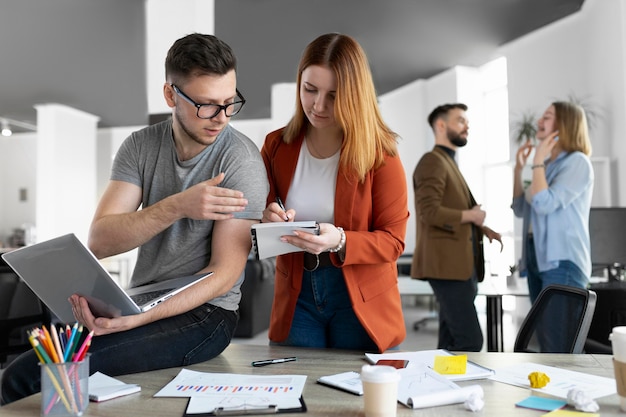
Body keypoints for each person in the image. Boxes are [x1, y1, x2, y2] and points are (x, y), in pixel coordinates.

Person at [1, 33, 269, 404]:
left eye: (229, 103)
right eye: (206, 105)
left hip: (206, 316)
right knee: (37, 372)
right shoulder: (140, 146)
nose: (221, 118)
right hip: (141, 299)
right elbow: (101, 239)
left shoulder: (241, 161)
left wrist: (139, 319)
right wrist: (177, 205)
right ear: (171, 95)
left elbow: (223, 274)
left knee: (26, 376)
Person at [260, 33, 409, 353]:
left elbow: (394, 241)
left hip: (361, 297)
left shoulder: (381, 154)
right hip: (296, 294)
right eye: (309, 89)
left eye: (334, 95)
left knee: (355, 397)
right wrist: (266, 214)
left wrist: (341, 240)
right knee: (296, 392)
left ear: (355, 96)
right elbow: (260, 214)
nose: (318, 105)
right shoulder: (276, 146)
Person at [410, 103, 502, 352]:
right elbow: (429, 212)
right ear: (441, 125)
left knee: (450, 341)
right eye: (460, 120)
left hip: (457, 268)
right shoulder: (433, 161)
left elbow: (450, 212)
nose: (467, 125)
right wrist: (470, 216)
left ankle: (444, 387)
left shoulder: (447, 161)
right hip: (446, 269)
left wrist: (481, 226)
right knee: (470, 341)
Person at [512, 101, 593, 352]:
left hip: (563, 262)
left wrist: (536, 161)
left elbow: (544, 203)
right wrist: (519, 168)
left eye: (547, 117)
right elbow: (520, 208)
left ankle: (562, 393)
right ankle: (548, 392)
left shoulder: (578, 163)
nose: (539, 121)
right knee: (548, 341)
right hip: (540, 258)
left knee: (558, 346)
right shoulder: (548, 166)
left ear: (564, 125)